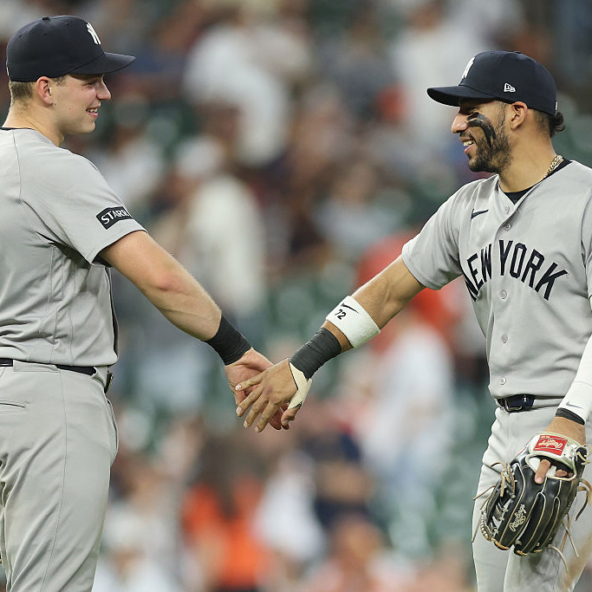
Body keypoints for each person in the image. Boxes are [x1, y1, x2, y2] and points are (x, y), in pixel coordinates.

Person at [236, 50, 592, 591]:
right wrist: (304, 364)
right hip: (506, 430)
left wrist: (572, 420)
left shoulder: (586, 199)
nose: (455, 124)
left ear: (516, 112)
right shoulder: (466, 208)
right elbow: (384, 294)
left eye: (470, 109)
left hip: (576, 425)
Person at [0, 15, 280, 592]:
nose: (105, 92)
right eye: (90, 79)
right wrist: (233, 347)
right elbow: (162, 279)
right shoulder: (54, 168)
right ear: (45, 88)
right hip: (47, 397)